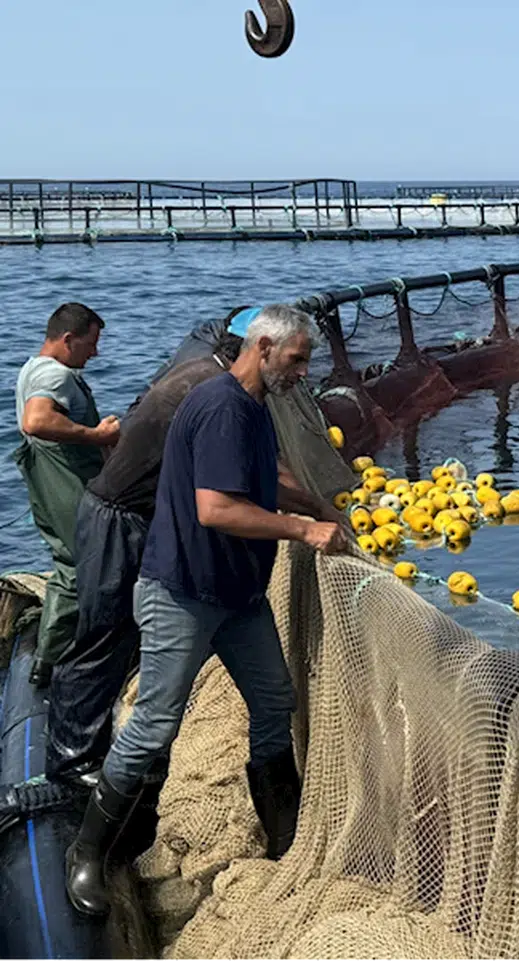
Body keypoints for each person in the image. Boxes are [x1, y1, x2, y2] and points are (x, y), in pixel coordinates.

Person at [65, 305, 345, 918]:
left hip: (238, 596)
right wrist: (304, 529)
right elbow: (216, 508)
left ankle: (284, 842)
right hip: (184, 594)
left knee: (273, 701)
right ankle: (87, 854)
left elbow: (261, 480)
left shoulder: (253, 406)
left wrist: (323, 506)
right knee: (154, 724)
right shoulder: (220, 406)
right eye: (297, 359)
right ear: (263, 347)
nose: (304, 372)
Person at [13, 304, 121, 688]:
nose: (95, 353)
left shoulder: (31, 368)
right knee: (80, 566)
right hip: (64, 484)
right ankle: (50, 660)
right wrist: (97, 435)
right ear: (68, 339)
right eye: (90, 344)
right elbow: (36, 420)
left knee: (70, 560)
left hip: (46, 484)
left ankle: (53, 654)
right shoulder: (55, 374)